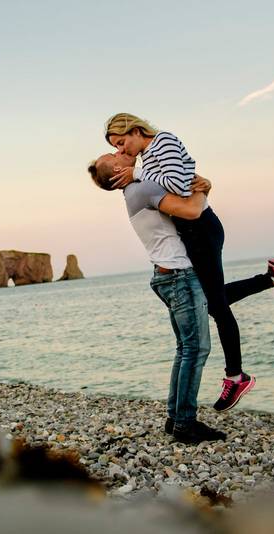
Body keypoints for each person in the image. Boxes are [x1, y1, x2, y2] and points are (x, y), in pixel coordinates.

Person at [102, 113, 274, 411]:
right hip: (193, 231)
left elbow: (179, 186)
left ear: (136, 130)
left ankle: (236, 376)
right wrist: (143, 175)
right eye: (116, 147)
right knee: (210, 301)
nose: (121, 150)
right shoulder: (149, 156)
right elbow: (180, 184)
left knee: (216, 306)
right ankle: (272, 278)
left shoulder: (163, 141)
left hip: (201, 229)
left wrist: (138, 175)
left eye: (121, 143)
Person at [88, 151, 224, 443]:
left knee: (185, 348)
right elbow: (192, 211)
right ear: (116, 168)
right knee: (196, 348)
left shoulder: (135, 191)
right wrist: (204, 188)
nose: (121, 151)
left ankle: (176, 418)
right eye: (114, 153)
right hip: (179, 275)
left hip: (168, 275)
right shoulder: (142, 188)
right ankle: (185, 424)